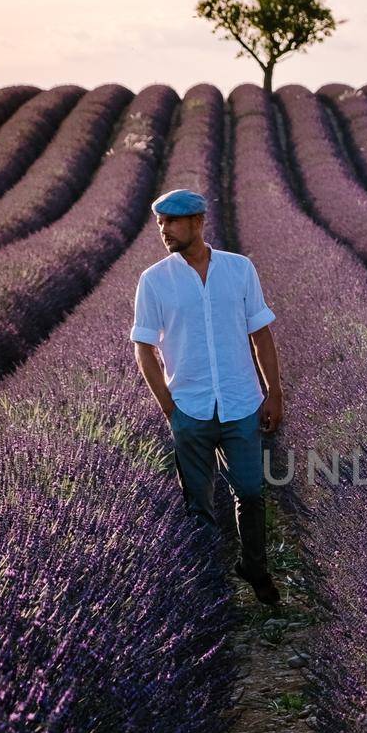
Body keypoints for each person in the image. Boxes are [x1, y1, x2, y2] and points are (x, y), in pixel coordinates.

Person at [130, 187, 284, 605]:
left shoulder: (239, 270)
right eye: (161, 222)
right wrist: (169, 407)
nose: (165, 230)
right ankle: (209, 588)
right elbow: (143, 347)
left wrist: (274, 391)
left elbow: (261, 333)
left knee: (251, 493)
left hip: (241, 402)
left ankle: (254, 567)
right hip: (190, 409)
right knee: (197, 505)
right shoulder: (154, 280)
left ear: (198, 222)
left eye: (173, 222)